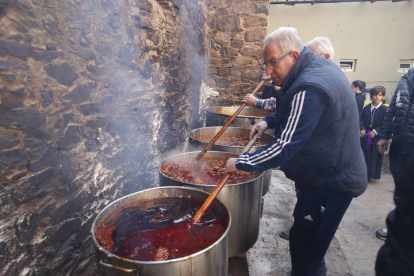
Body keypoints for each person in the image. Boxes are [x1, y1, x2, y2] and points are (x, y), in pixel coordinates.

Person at [225, 27, 367, 276]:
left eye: (272, 62)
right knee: (305, 239)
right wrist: (266, 122)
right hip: (324, 173)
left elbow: (284, 146)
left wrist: (241, 162)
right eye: (265, 63)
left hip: (330, 182)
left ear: (292, 54)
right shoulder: (313, 69)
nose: (268, 71)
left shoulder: (309, 85)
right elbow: (290, 107)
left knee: (308, 252)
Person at [374, 68, 414, 276]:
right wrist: (384, 135)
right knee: (401, 189)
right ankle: (399, 227)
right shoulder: (407, 77)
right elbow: (392, 111)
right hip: (400, 142)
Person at [243, 36, 335, 112]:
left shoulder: (313, 81)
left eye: (313, 56)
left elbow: (287, 104)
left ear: (326, 57)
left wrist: (257, 102)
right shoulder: (324, 73)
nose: (309, 59)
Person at [359, 86, 387, 181]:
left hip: (376, 137)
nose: (376, 97)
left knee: (374, 155)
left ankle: (372, 174)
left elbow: (386, 123)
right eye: (374, 95)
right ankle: (363, 174)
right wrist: (361, 129)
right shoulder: (366, 108)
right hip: (365, 135)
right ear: (371, 96)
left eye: (379, 95)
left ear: (382, 97)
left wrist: (376, 131)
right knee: (364, 154)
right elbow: (360, 119)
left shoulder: (385, 110)